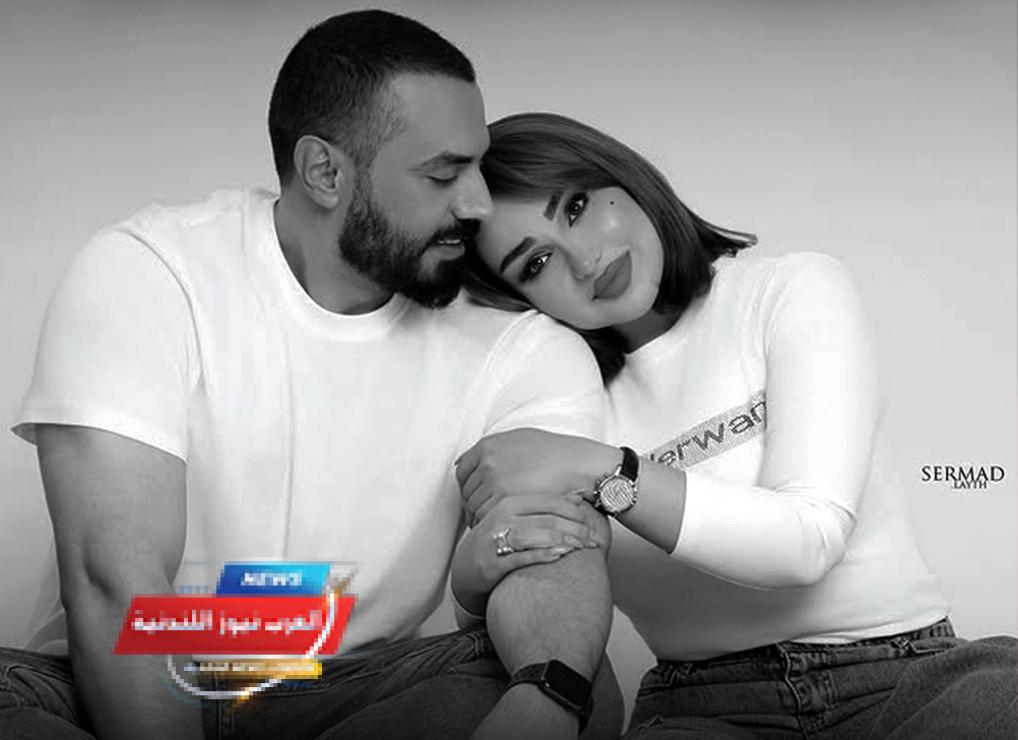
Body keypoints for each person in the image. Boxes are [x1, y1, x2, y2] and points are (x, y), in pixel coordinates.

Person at [1, 16, 625, 740]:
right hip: (122, 679)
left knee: (567, 679)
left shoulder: (519, 345)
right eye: (443, 174)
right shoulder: (148, 272)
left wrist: (544, 701)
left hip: (353, 694)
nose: (478, 204)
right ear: (325, 172)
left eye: (478, 166)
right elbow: (115, 584)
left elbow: (553, 549)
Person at [454, 112, 1018, 739]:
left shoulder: (788, 289)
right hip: (704, 710)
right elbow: (536, 580)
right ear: (518, 299)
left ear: (622, 176)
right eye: (536, 263)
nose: (584, 261)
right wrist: (467, 585)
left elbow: (809, 539)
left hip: (902, 677)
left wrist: (607, 472)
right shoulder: (559, 397)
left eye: (578, 207)